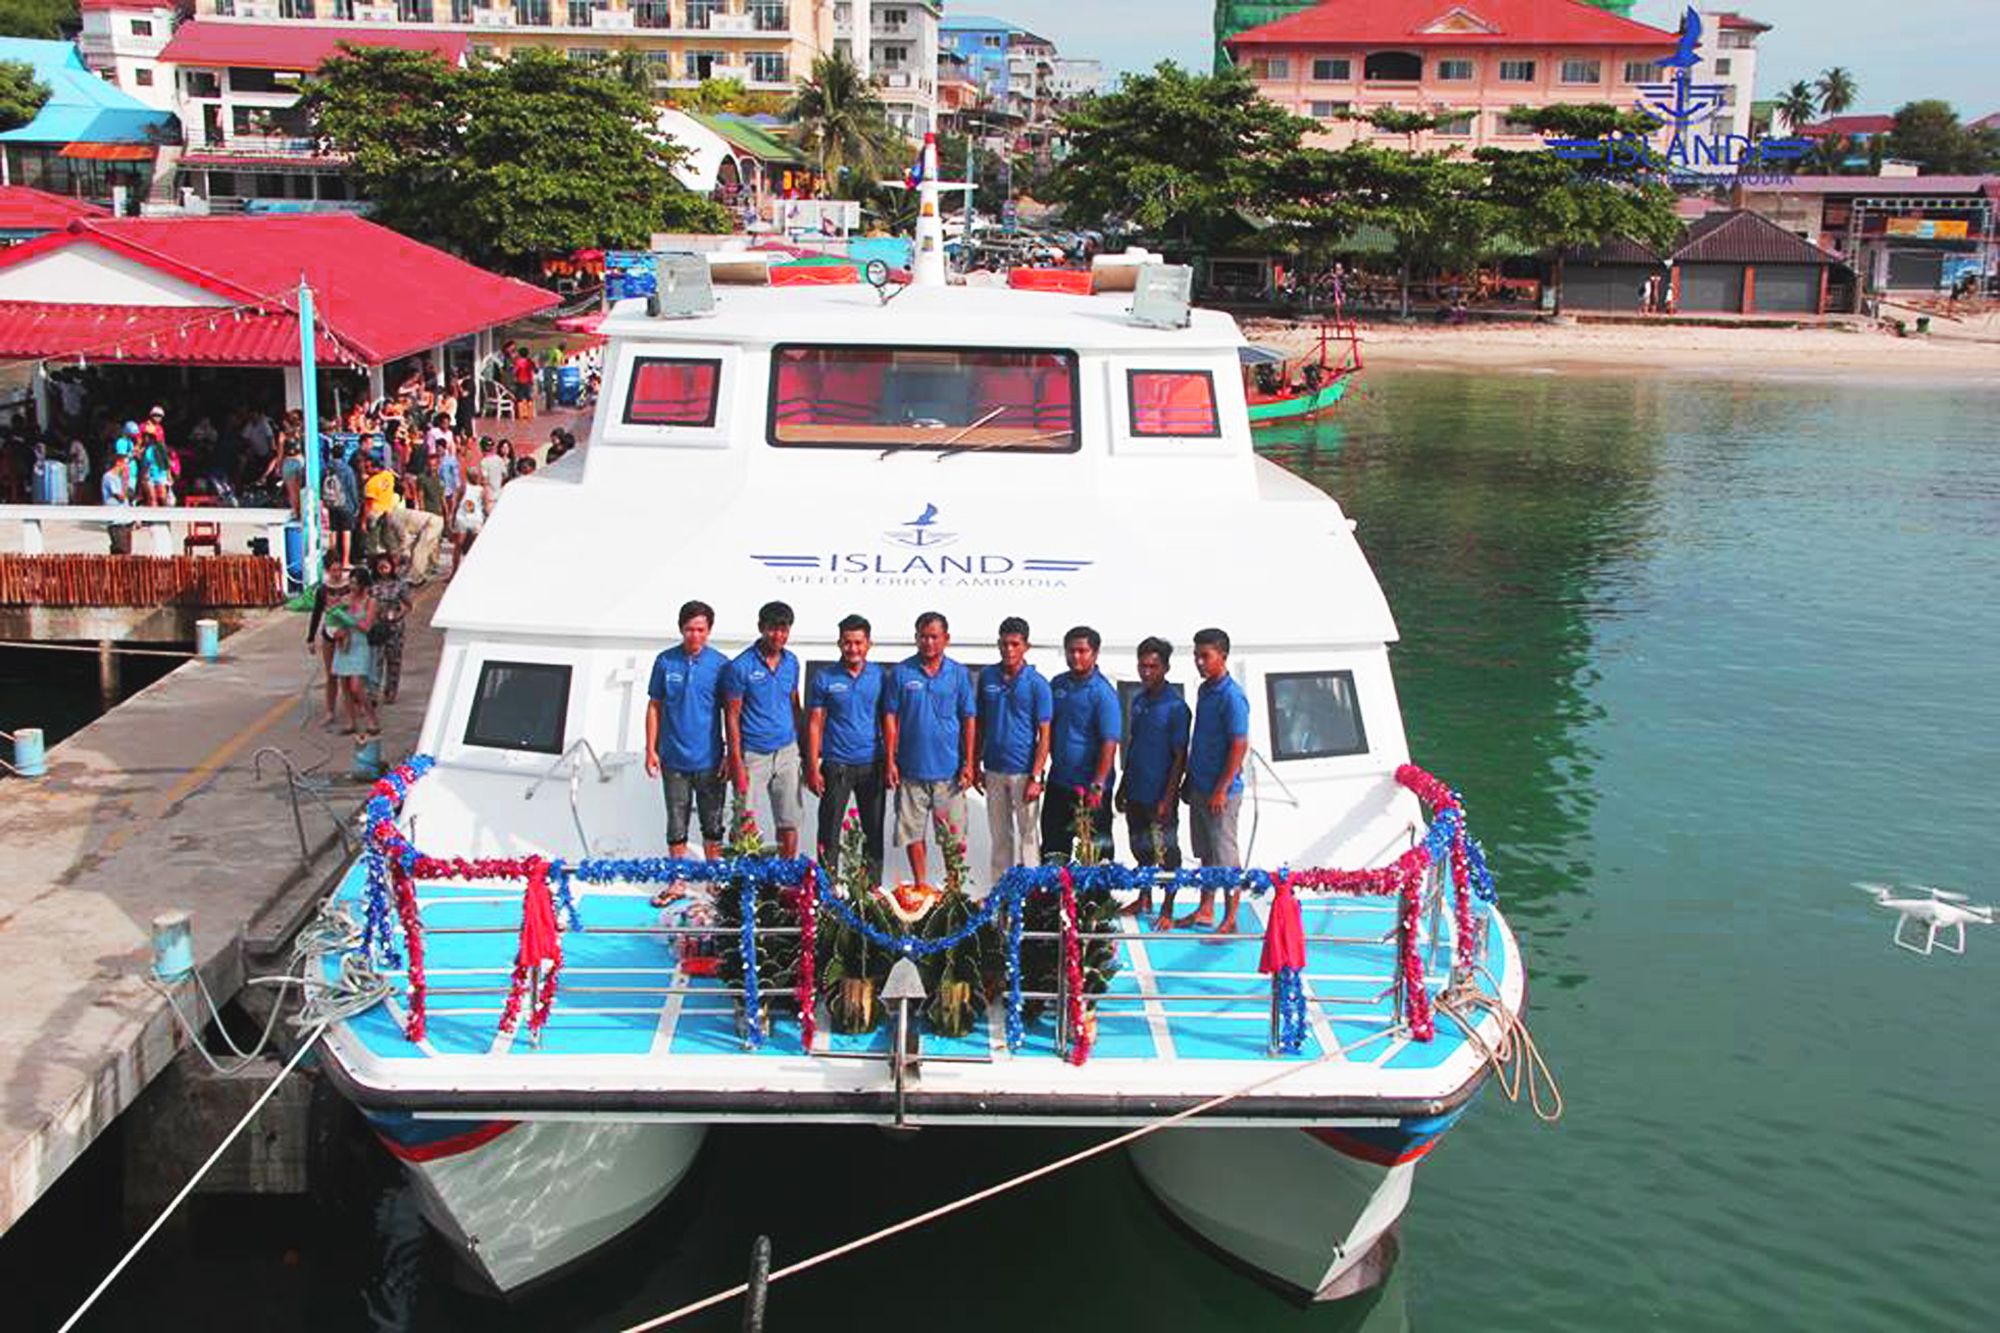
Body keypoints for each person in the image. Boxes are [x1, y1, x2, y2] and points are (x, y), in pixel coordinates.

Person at [1164, 627, 1251, 934]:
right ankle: (1205, 908)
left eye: (1206, 656)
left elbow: (1239, 744)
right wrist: (1190, 777)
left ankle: (1231, 917)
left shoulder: (1232, 696)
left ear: (1222, 657)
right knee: (1205, 850)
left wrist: (1222, 788)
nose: (1199, 662)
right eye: (1196, 655)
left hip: (1220, 791)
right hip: (1200, 785)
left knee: (1225, 853)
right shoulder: (1204, 690)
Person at [882, 611, 976, 888]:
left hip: (949, 773)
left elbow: (969, 719)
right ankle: (922, 886)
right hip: (911, 771)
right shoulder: (901, 673)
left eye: (934, 636)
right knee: (912, 833)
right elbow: (890, 718)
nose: (928, 642)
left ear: (946, 638)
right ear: (916, 638)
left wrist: (969, 763)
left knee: (953, 838)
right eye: (923, 636)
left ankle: (954, 890)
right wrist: (890, 761)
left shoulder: (959, 674)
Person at [645, 600, 730, 870]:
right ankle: (677, 879)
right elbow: (654, 706)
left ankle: (714, 879)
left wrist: (729, 753)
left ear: (709, 630)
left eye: (700, 629)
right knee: (676, 821)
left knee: (713, 823)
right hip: (673, 759)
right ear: (681, 629)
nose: (695, 635)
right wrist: (651, 749)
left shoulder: (720, 665)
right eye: (690, 629)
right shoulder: (665, 661)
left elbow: (731, 712)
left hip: (710, 759)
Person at [805, 613, 886, 884]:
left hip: (872, 763)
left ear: (868, 644)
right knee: (829, 831)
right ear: (839, 643)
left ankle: (870, 889)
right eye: (847, 642)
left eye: (858, 643)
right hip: (836, 764)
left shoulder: (880, 676)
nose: (853, 648)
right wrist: (811, 766)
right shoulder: (824, 677)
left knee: (873, 831)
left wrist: (890, 761)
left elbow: (889, 720)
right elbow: (815, 723)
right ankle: (828, 891)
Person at [1116, 637, 1190, 923]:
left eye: (1153, 666)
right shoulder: (1138, 702)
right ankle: (1144, 898)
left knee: (1167, 851)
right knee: (1141, 848)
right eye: (1142, 666)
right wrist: (1124, 784)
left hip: (1161, 794)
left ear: (1165, 668)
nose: (1146, 672)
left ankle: (1168, 907)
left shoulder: (1176, 708)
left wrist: (1167, 798)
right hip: (1136, 789)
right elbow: (1134, 744)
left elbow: (1179, 756)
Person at [974, 616, 1052, 885]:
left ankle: (1032, 898)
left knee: (1029, 838)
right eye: (1004, 644)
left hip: (1024, 773)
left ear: (1025, 646)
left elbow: (1045, 735)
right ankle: (1000, 895)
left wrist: (1036, 776)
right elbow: (980, 725)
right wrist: (974, 764)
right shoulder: (987, 677)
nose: (1009, 649)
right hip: (994, 769)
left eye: (1015, 644)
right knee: (999, 838)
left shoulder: (1037, 683)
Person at [723, 600, 804, 858]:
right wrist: (735, 758)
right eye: (772, 629)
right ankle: (749, 882)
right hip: (752, 754)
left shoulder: (792, 662)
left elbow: (794, 703)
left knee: (789, 821)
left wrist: (804, 750)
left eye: (783, 629)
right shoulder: (740, 666)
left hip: (787, 751)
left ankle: (787, 880)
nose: (778, 635)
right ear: (761, 627)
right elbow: (732, 715)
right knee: (745, 822)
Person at [1042, 625, 1120, 864]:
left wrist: (1097, 784)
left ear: (1094, 654)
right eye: (1071, 651)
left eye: (1082, 651)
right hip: (1059, 783)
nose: (1076, 656)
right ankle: (1052, 901)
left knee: (1096, 855)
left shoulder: (1103, 693)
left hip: (1091, 789)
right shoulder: (1057, 685)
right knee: (1054, 850)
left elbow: (1110, 742)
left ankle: (1097, 902)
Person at [325, 567, 380, 739]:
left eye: (356, 583)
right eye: (351, 582)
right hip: (345, 644)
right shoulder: (345, 599)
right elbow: (332, 618)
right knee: (345, 685)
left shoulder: (370, 602)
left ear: (364, 584)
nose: (352, 586)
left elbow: (366, 627)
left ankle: (372, 720)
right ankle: (351, 721)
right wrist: (337, 628)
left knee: (356, 686)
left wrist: (349, 619)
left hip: (360, 645)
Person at [306, 558, 351, 728]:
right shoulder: (323, 589)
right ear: (328, 571)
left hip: (345, 632)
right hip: (329, 632)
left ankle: (350, 713)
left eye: (339, 569)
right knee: (331, 674)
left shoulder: (348, 587)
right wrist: (311, 638)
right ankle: (330, 711)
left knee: (345, 676)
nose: (337, 573)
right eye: (333, 570)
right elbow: (316, 613)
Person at [367, 550, 409, 705]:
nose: (383, 569)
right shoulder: (372, 584)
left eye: (386, 566)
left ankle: (391, 691)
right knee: (375, 660)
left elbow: (407, 605)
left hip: (394, 628)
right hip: (377, 627)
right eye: (380, 567)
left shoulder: (400, 584)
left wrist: (397, 616)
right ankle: (373, 692)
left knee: (394, 660)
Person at [100, 436, 135, 554]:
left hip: (126, 520)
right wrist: (125, 479)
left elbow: (128, 497)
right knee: (121, 550)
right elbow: (120, 496)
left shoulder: (120, 478)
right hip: (116, 520)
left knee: (127, 551)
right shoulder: (109, 477)